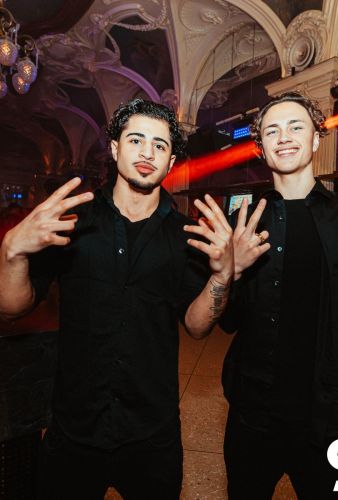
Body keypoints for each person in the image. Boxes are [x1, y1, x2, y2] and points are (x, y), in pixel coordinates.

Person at [0, 99, 234, 499]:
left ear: (171, 161)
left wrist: (222, 275)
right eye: (136, 140)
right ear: (114, 148)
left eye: (160, 145)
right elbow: (11, 307)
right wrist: (11, 253)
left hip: (152, 434)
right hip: (74, 429)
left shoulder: (185, 236)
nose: (147, 152)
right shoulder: (75, 222)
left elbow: (197, 327)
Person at [220, 91, 338, 499]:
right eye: (272, 130)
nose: (284, 137)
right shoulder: (243, 223)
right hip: (253, 414)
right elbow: (227, 321)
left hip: (330, 418)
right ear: (260, 147)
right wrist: (229, 273)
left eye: (295, 127)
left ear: (316, 139)